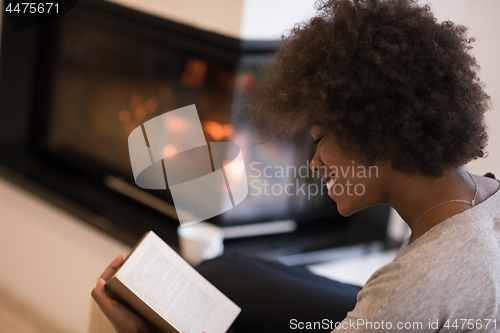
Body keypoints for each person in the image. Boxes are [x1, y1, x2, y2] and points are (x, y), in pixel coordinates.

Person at [93, 0, 500, 332]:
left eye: (321, 138)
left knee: (219, 289)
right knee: (225, 273)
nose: (314, 160)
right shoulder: (485, 196)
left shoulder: (408, 292)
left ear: (378, 135)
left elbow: (408, 299)